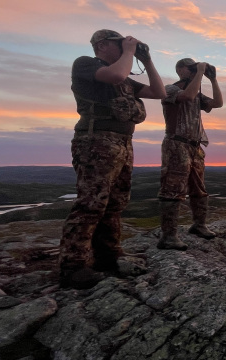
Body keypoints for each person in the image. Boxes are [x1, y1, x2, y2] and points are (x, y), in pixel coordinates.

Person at [59, 29, 166, 289]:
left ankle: (108, 256)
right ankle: (73, 266)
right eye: (119, 44)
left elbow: (159, 92)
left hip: (122, 142)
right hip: (95, 141)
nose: (125, 48)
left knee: (116, 202)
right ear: (102, 44)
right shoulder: (86, 64)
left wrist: (147, 60)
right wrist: (129, 52)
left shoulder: (126, 79)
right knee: (91, 203)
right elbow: (116, 73)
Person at [157, 58, 223, 250]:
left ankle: (199, 225)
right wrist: (200, 72)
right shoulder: (170, 89)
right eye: (191, 68)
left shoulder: (196, 93)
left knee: (199, 188)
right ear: (179, 69)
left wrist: (213, 80)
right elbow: (186, 96)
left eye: (196, 67)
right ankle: (168, 236)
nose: (195, 71)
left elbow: (217, 103)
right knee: (173, 189)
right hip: (176, 143)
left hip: (195, 146)